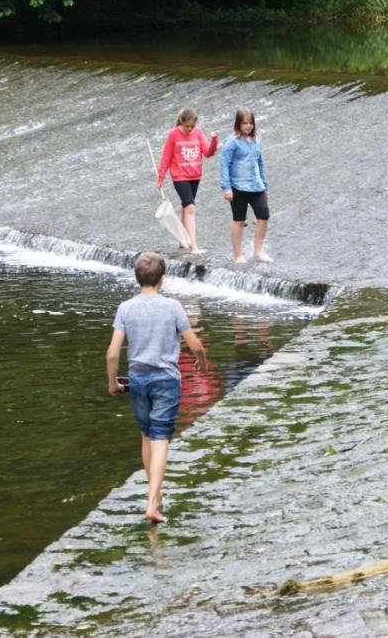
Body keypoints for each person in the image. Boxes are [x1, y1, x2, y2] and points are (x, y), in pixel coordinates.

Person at [106, 252, 209, 523]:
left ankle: (156, 493)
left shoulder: (125, 308)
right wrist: (202, 363)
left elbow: (113, 354)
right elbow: (195, 344)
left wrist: (113, 382)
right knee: (161, 438)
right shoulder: (173, 307)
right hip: (165, 379)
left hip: (138, 379)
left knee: (146, 435)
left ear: (136, 279)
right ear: (162, 279)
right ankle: (152, 503)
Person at [157, 108, 218, 254]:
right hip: (179, 176)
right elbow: (166, 157)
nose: (190, 129)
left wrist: (214, 141)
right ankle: (193, 245)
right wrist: (161, 177)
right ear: (181, 122)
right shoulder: (173, 134)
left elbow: (208, 152)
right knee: (190, 208)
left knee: (186, 207)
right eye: (187, 126)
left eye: (192, 126)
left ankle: (181, 239)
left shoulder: (198, 132)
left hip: (195, 176)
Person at [219, 108, 271, 263]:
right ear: (238, 124)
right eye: (245, 123)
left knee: (264, 215)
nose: (248, 126)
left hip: (256, 185)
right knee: (239, 220)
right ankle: (238, 255)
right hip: (238, 187)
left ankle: (258, 251)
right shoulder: (232, 142)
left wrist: (265, 185)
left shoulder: (257, 140)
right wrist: (226, 188)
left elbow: (260, 163)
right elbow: (224, 165)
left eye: (251, 123)